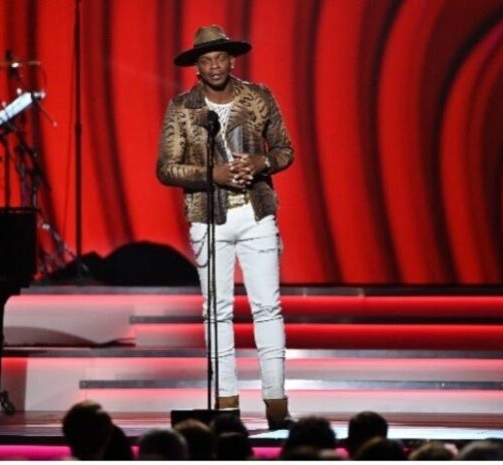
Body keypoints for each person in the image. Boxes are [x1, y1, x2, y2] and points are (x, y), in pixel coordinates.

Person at [157, 24, 294, 429]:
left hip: (256, 213)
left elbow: (285, 149)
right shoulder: (182, 108)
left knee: (267, 308)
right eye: (207, 60)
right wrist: (210, 174)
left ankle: (276, 405)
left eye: (221, 58)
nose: (215, 66)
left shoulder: (258, 97)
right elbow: (165, 168)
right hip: (208, 217)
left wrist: (262, 162)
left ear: (232, 61)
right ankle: (227, 404)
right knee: (216, 312)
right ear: (196, 67)